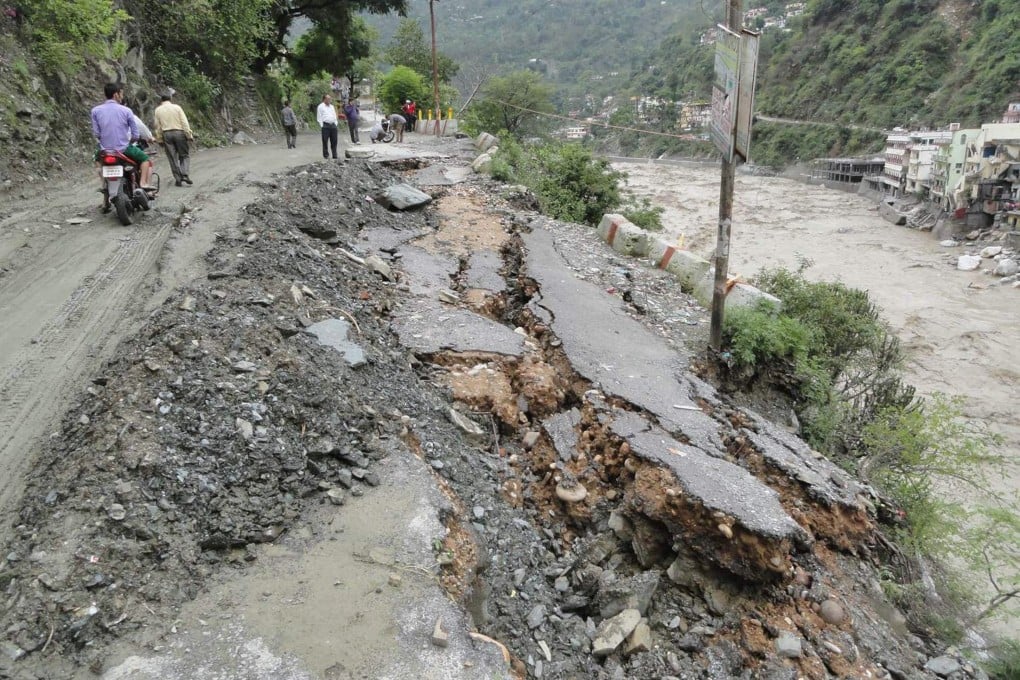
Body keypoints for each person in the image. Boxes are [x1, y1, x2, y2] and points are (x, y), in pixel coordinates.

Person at [90, 83, 153, 192]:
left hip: (104, 150)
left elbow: (97, 134)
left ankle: (104, 184)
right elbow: (136, 135)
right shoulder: (126, 111)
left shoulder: (95, 111)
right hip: (123, 149)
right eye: (121, 94)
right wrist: (131, 141)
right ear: (116, 95)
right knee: (145, 160)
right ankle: (143, 183)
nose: (122, 97)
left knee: (97, 160)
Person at [153, 93, 194, 187]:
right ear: (170, 99)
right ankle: (185, 174)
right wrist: (189, 134)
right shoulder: (177, 108)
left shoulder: (158, 110)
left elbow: (157, 126)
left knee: (172, 157)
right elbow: (184, 122)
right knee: (184, 155)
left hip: (166, 134)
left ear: (161, 101)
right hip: (179, 132)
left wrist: (159, 139)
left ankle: (178, 179)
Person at [317, 94, 339, 159]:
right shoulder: (320, 106)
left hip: (333, 125)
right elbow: (319, 117)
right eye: (328, 99)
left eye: (330, 99)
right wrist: (322, 125)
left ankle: (334, 155)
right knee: (325, 141)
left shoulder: (332, 106)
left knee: (334, 140)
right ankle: (326, 155)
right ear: (324, 99)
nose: (330, 100)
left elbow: (334, 115)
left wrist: (335, 123)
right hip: (325, 125)